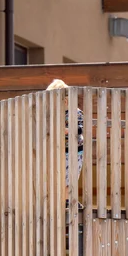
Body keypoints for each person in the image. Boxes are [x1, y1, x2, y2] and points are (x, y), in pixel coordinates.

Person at [45, 79, 84, 208]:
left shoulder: (75, 113)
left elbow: (81, 128)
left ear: (65, 101)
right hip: (61, 151)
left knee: (70, 177)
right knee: (60, 177)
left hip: (75, 151)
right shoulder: (56, 115)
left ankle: (69, 200)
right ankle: (64, 199)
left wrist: (68, 130)